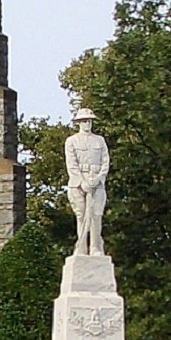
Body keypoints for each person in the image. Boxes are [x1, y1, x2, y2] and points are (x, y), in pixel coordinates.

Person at [65, 108, 109, 256]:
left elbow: (105, 162)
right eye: (84, 121)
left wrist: (97, 179)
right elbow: (71, 164)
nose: (87, 124)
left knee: (96, 215)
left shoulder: (100, 140)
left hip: (97, 182)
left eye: (89, 121)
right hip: (78, 183)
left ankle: (96, 246)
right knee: (82, 215)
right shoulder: (71, 141)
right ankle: (82, 246)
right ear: (78, 123)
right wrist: (82, 182)